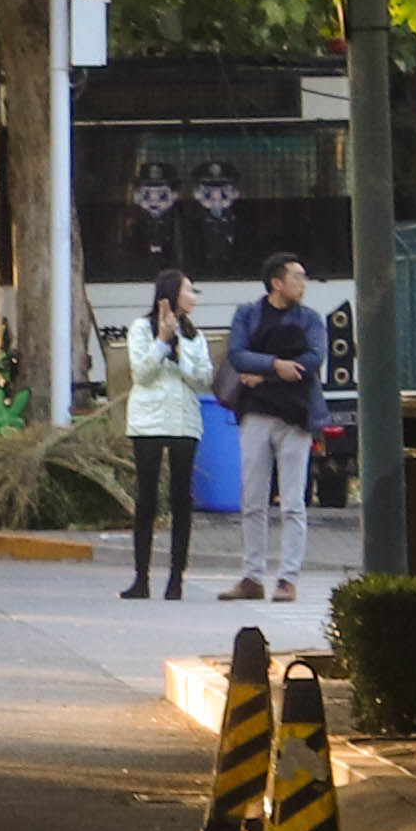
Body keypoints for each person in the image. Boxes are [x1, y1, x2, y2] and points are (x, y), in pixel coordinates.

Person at [220, 252, 327, 605]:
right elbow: (236, 355)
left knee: (293, 502)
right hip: (256, 416)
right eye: (296, 277)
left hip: (296, 417)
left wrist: (263, 372)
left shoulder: (311, 319)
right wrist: (277, 366)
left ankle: (288, 578)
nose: (303, 283)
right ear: (276, 283)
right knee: (253, 499)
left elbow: (313, 359)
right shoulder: (248, 314)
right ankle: (252, 575)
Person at [117, 270, 211, 601]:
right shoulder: (141, 328)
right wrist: (161, 340)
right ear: (172, 294)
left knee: (181, 499)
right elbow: (141, 374)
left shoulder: (195, 336)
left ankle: (176, 579)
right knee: (146, 500)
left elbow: (203, 380)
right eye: (189, 290)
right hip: (149, 422)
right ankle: (141, 578)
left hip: (185, 422)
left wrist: (179, 352)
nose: (194, 297)